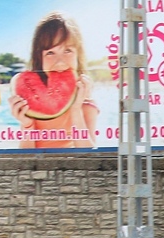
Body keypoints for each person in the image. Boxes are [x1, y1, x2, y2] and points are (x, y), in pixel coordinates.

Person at [8, 12, 97, 149]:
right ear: (39, 58)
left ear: (78, 55)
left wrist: (75, 110)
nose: (60, 63)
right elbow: (27, 158)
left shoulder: (87, 104)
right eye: (50, 53)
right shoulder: (33, 99)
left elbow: (90, 157)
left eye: (68, 51)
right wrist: (27, 124)